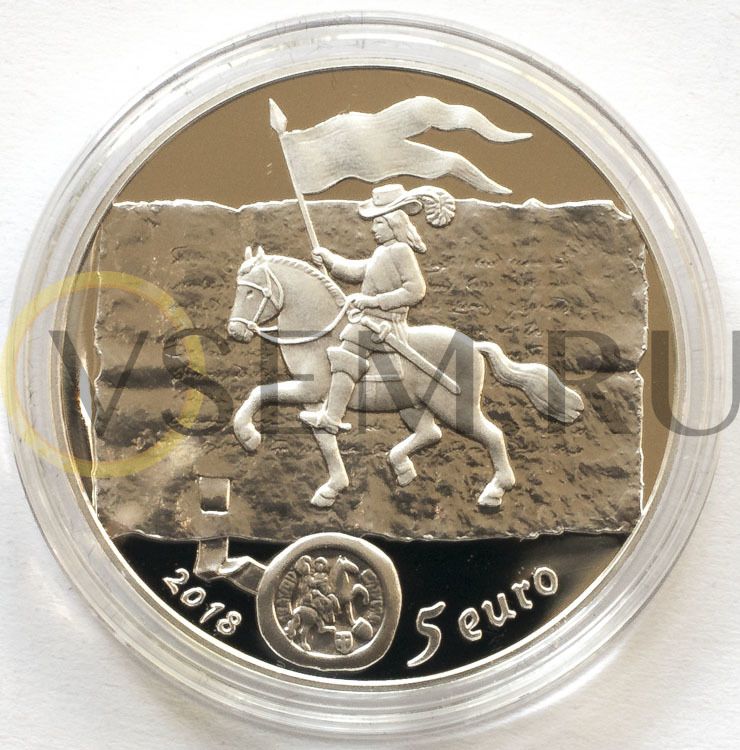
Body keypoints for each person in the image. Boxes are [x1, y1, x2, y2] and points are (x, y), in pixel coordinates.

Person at [299, 184, 428, 434]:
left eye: (378, 223)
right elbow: (357, 270)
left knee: (349, 347)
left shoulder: (401, 251)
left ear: (393, 224)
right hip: (371, 320)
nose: (373, 229)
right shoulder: (383, 251)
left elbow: (416, 290)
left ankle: (332, 417)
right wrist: (329, 259)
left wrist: (372, 302)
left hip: (385, 324)